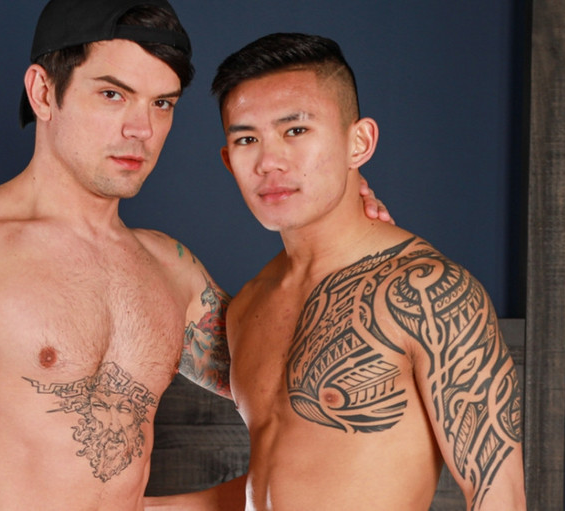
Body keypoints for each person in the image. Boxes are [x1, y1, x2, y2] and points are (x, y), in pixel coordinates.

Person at [0, 4, 388, 510]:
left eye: (162, 103)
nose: (141, 129)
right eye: (112, 94)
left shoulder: (171, 269)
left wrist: (345, 236)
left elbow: (292, 377)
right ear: (43, 92)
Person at [208, 33, 525, 510]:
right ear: (229, 161)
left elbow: (500, 499)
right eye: (247, 139)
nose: (269, 162)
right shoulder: (249, 305)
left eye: (296, 131)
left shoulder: (429, 292)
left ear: (359, 142)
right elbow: (282, 487)